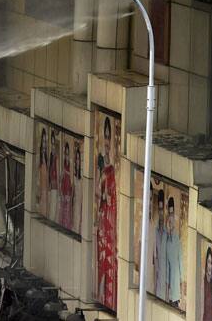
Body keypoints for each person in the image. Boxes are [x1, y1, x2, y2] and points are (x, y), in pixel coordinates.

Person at [96, 116, 117, 310]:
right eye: (106, 136)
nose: (108, 140)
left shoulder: (114, 170)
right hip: (103, 226)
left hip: (112, 229)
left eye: (110, 136)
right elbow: (98, 195)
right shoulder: (103, 167)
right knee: (102, 264)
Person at [164, 195, 182, 305]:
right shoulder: (165, 238)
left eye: (172, 214)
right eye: (169, 214)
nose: (171, 219)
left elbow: (180, 262)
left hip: (175, 290)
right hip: (167, 289)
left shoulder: (176, 238)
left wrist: (181, 284)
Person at [154, 189, 166, 295]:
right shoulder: (154, 231)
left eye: (163, 210)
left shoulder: (169, 235)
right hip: (156, 281)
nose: (161, 213)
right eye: (160, 209)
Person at [58, 141, 73, 229]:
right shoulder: (63, 165)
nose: (66, 156)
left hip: (68, 193)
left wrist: (69, 195)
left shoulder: (70, 166)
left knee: (67, 213)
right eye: (65, 154)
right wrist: (61, 193)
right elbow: (60, 179)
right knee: (62, 213)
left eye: (68, 154)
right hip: (63, 192)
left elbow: (71, 181)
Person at [202, 247, 212, 321]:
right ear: (206, 263)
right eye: (208, 262)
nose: (209, 266)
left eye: (211, 263)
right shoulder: (203, 280)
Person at [38, 128, 48, 217]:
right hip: (41, 191)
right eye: (43, 141)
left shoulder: (47, 159)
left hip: (46, 191)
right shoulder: (39, 158)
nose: (44, 144)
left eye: (46, 142)